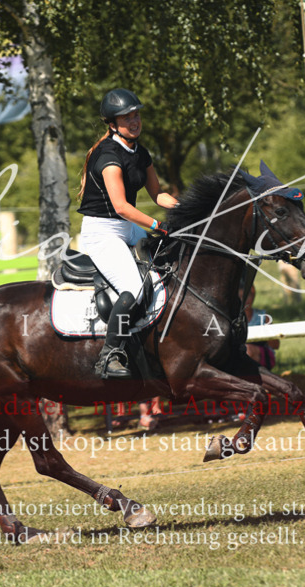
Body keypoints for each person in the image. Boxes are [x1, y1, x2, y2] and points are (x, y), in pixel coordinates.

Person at [77, 88, 179, 378]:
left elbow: (158, 195)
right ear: (112, 123)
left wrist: (187, 209)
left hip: (125, 227)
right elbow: (121, 206)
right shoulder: (108, 157)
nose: (135, 121)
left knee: (170, 254)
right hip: (102, 232)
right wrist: (156, 225)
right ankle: (109, 355)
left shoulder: (140, 151)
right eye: (127, 117)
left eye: (136, 114)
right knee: (133, 288)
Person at [243, 286, 280, 371]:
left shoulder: (263, 317)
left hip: (261, 355)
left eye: (247, 296)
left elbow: (276, 345)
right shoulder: (233, 318)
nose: (245, 300)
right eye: (241, 297)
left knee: (247, 350)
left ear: (252, 296)